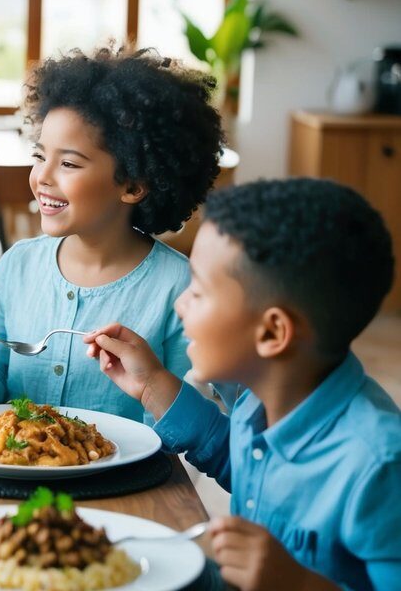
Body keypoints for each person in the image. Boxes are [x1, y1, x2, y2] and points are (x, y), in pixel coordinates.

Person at [85, 179, 400, 590]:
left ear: (272, 333)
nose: (181, 304)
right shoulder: (260, 399)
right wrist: (153, 387)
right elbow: (238, 459)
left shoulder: (378, 465)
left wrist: (299, 584)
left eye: (197, 291)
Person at [0, 47, 224, 422]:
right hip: (15, 473)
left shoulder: (178, 288)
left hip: (129, 477)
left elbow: (177, 422)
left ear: (132, 185)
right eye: (39, 156)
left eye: (68, 163)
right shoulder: (17, 266)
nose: (43, 177)